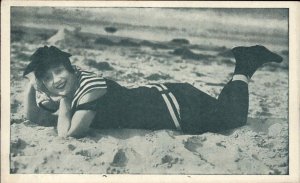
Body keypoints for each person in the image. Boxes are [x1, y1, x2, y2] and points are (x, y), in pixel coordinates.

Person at [23, 45, 283, 138]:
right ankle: (244, 64)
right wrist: (31, 87)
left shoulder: (90, 86)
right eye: (47, 78)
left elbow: (70, 133)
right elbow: (36, 118)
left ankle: (245, 65)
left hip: (176, 107)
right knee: (223, 112)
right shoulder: (72, 90)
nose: (56, 80)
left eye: (58, 71)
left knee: (232, 119)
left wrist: (65, 100)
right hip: (165, 97)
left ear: (71, 68)